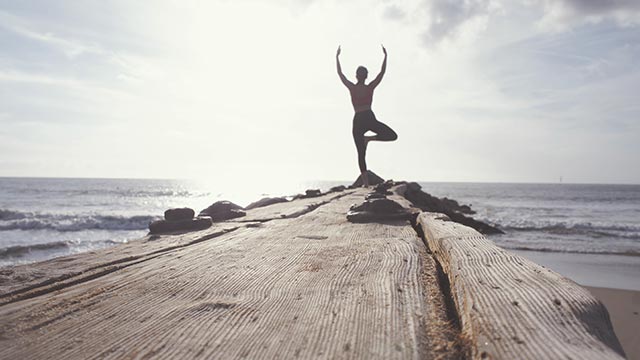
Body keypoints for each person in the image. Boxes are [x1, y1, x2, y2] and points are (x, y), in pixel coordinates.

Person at [336, 45, 397, 187]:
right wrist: (385, 57)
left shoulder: (352, 87)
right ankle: (369, 139)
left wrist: (337, 57)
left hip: (359, 119)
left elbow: (340, 74)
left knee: (360, 153)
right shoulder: (369, 87)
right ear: (366, 76)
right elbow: (381, 73)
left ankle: (366, 183)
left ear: (356, 75)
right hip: (368, 117)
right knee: (391, 135)